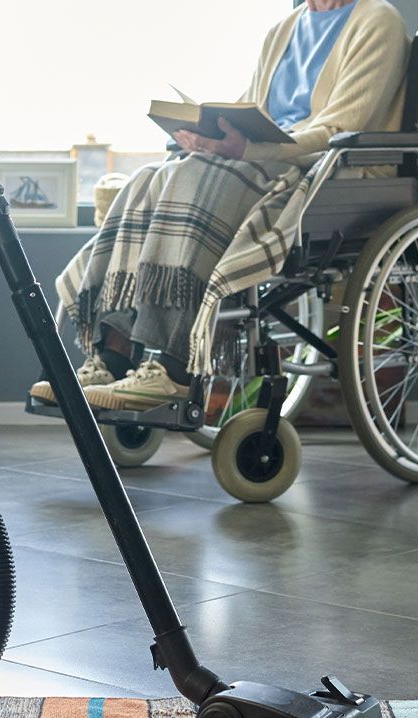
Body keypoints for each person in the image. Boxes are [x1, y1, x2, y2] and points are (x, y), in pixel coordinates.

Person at [31, 0, 410, 411]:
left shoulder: (377, 20)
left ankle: (173, 367)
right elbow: (251, 109)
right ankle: (114, 357)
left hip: (320, 171)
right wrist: (207, 135)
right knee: (147, 181)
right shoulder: (283, 28)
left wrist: (250, 149)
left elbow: (339, 128)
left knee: (197, 179)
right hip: (260, 160)